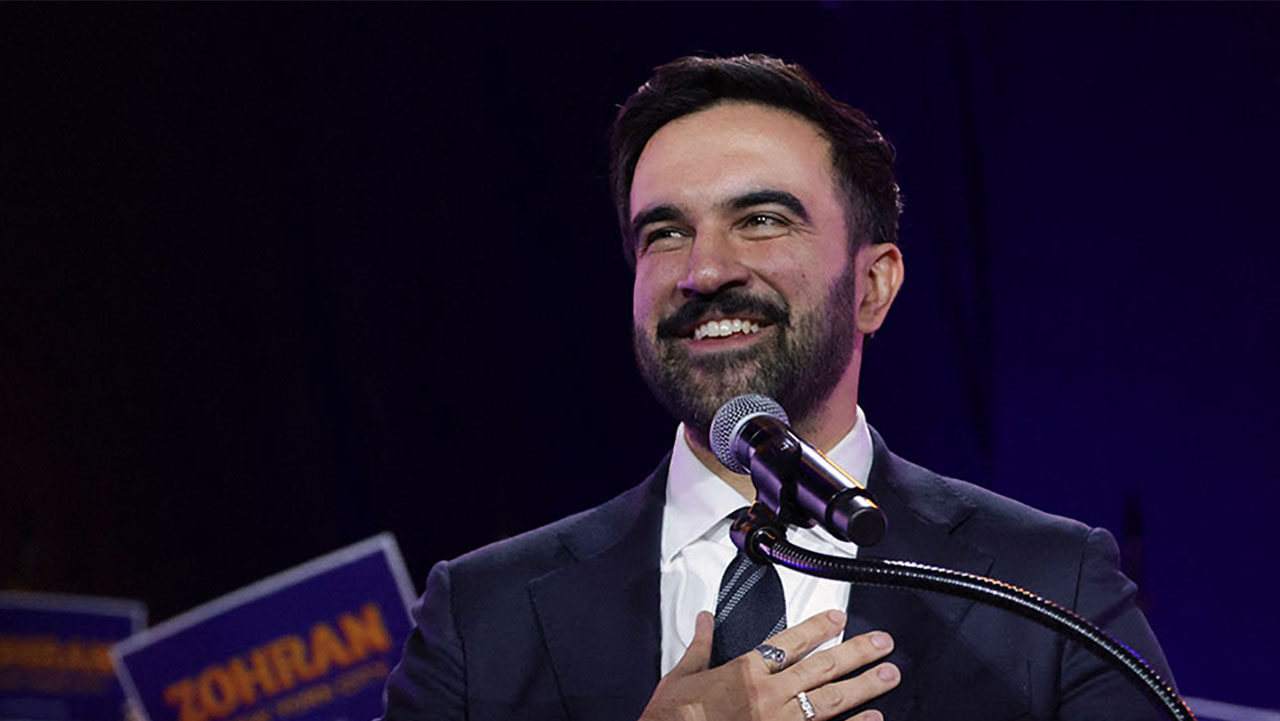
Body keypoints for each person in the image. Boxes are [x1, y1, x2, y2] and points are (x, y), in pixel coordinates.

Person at [379, 54, 1174, 721]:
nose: (705, 271)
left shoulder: (1048, 585)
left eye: (761, 219)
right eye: (665, 232)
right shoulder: (480, 616)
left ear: (872, 286)